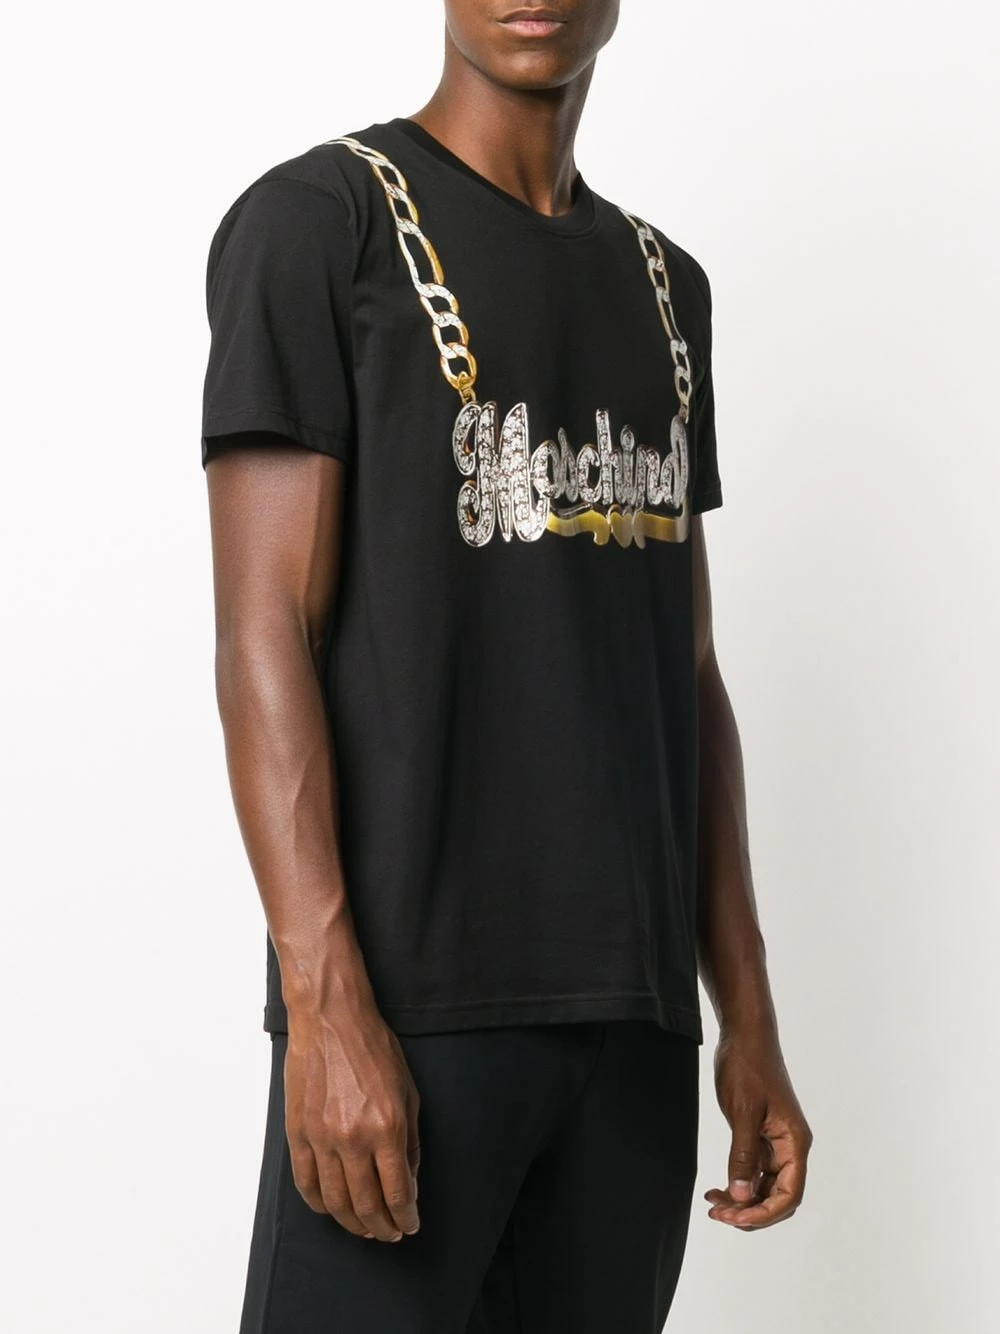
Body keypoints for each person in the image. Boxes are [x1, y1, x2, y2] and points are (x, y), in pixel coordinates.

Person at [200, 2, 813, 1330]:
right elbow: (264, 633)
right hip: (410, 1017)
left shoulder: (669, 288)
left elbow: (687, 670)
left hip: (634, 1035)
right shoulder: (322, 226)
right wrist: (324, 1004)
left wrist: (747, 1013)